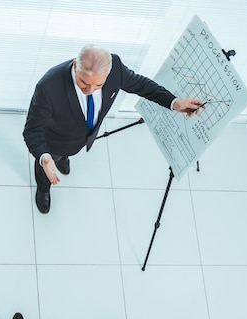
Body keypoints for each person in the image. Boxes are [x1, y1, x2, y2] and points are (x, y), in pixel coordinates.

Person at [23, 44, 204, 214]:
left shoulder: (115, 67)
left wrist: (173, 102)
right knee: (49, 165)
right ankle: (43, 189)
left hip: (80, 138)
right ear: (75, 65)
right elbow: (32, 131)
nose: (90, 90)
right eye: (83, 83)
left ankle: (64, 159)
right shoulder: (48, 87)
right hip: (55, 141)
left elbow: (142, 85)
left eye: (98, 85)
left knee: (66, 155)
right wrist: (44, 157)